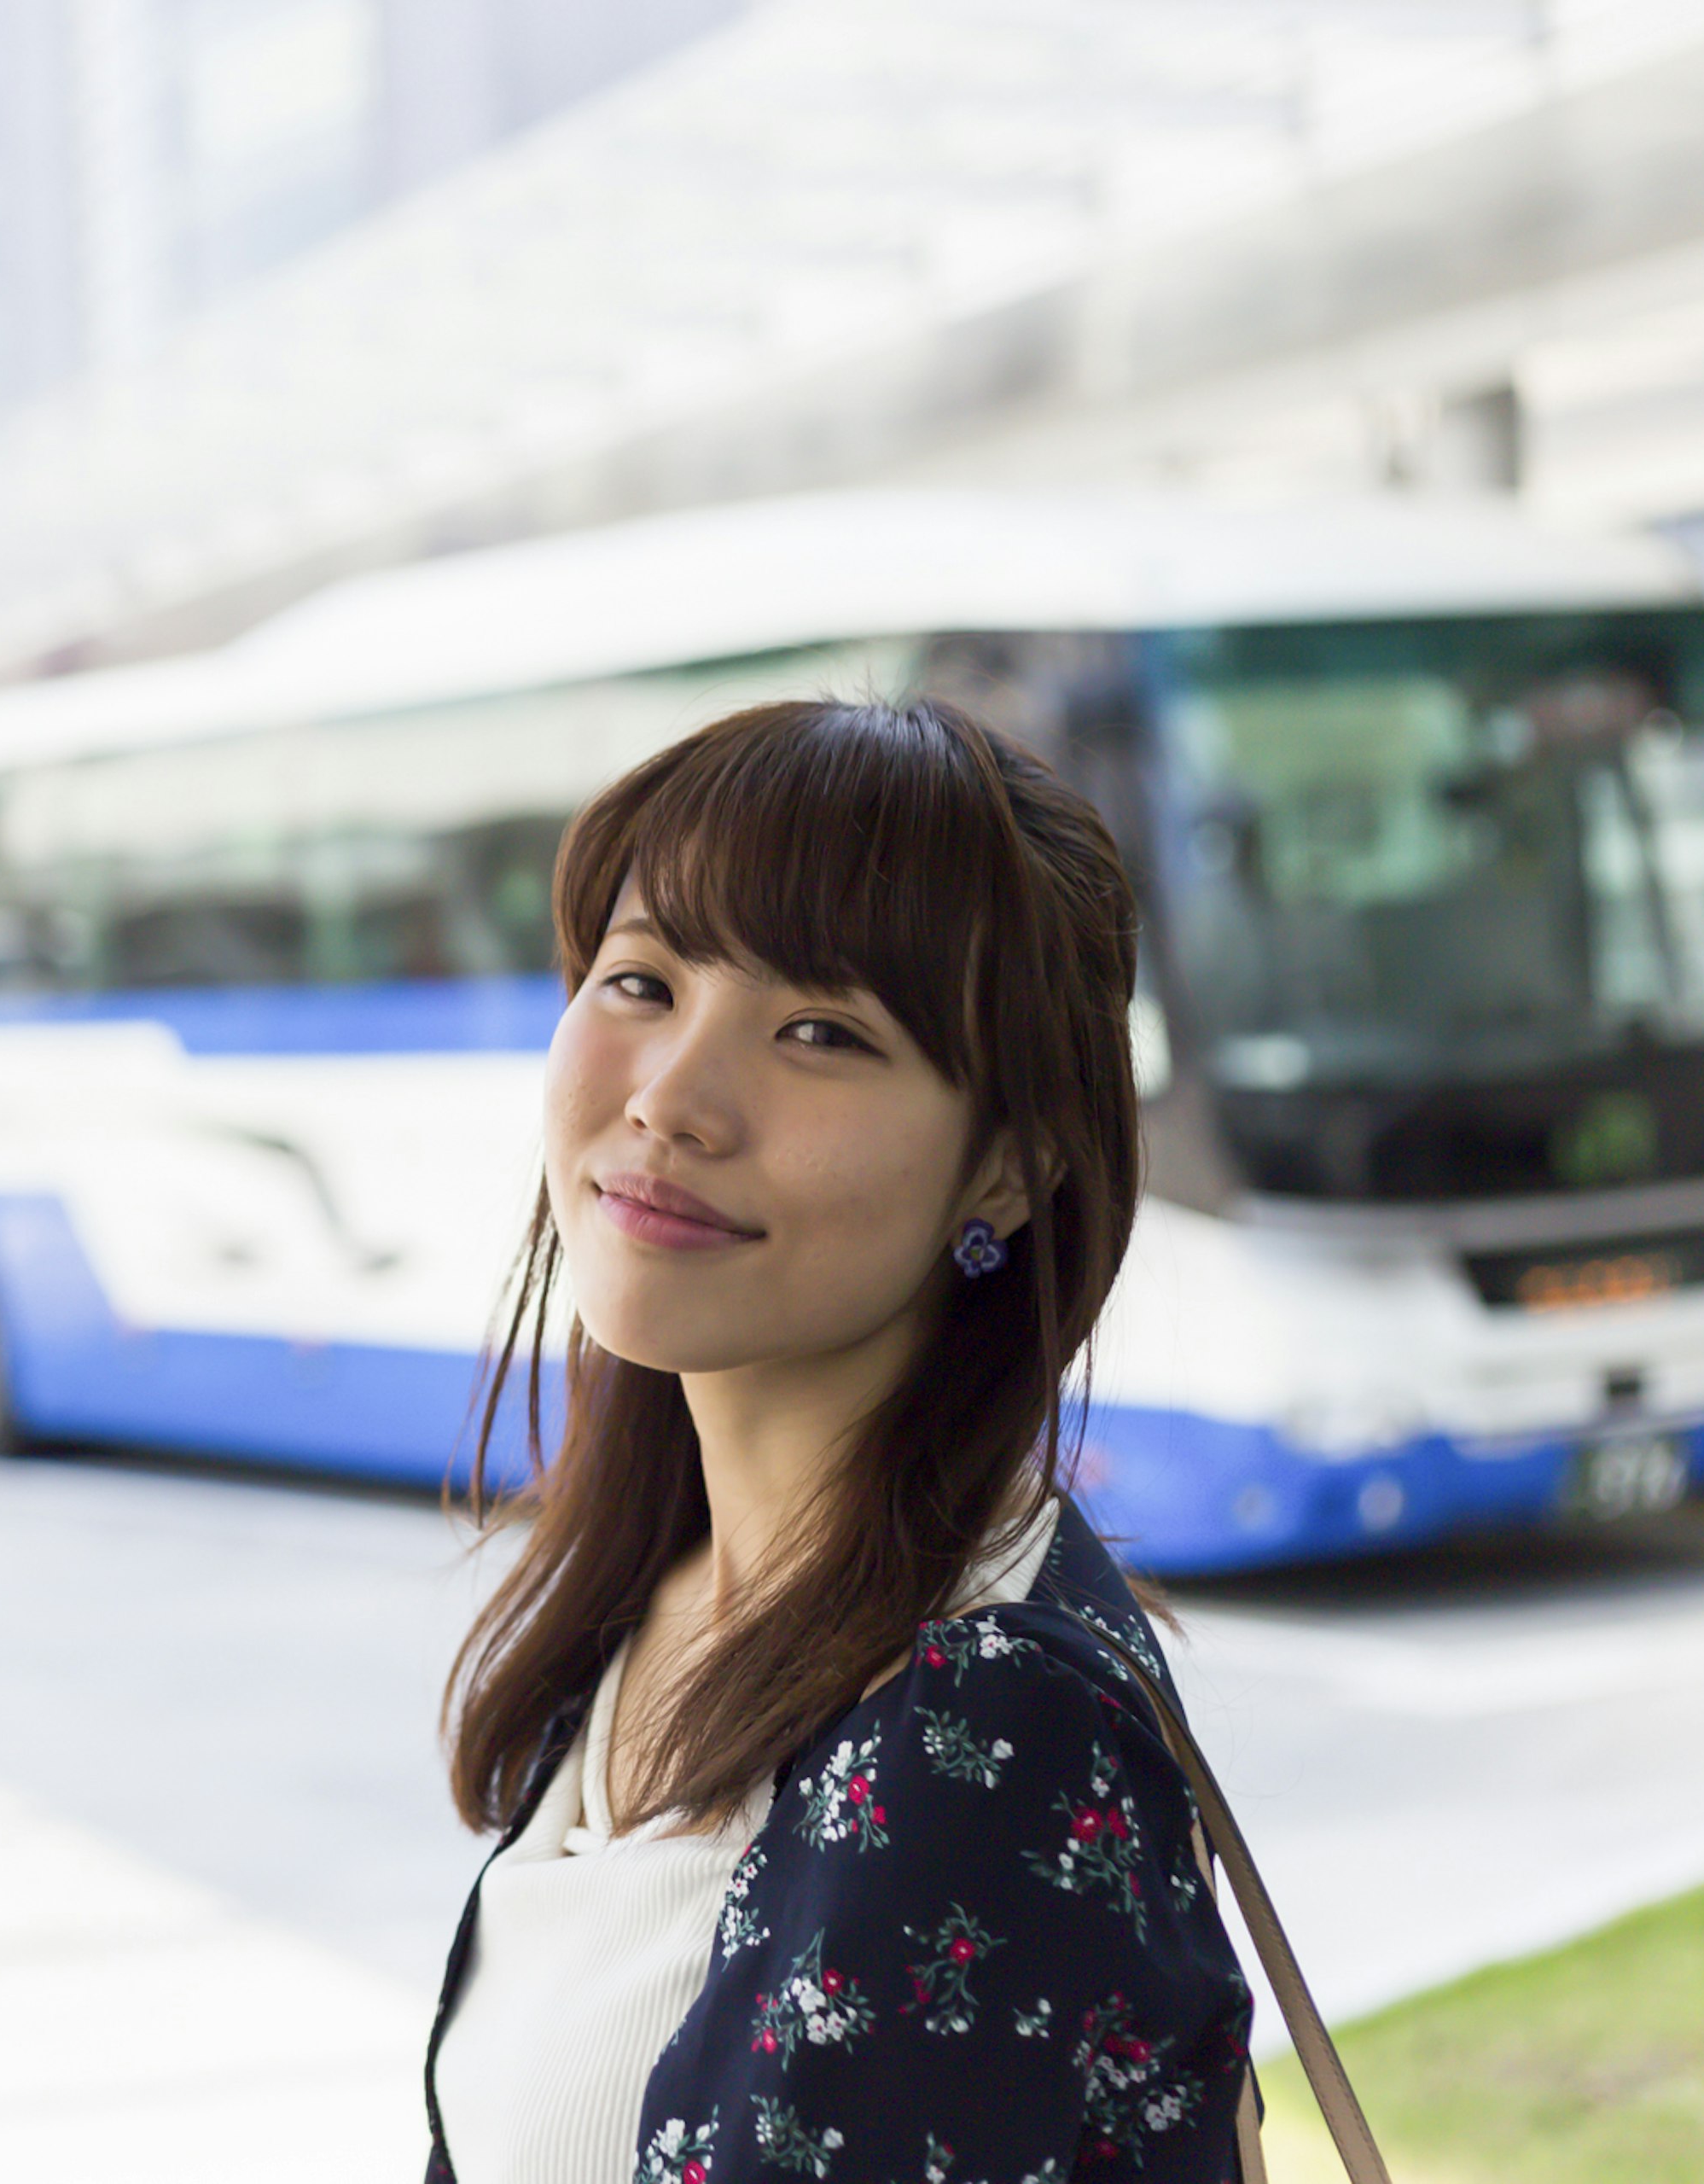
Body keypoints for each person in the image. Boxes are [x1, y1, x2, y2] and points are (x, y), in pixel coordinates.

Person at [424, 697, 1262, 2182]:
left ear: (1007, 1167)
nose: (673, 1098)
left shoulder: (985, 1725)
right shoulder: (659, 1593)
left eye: (821, 1031)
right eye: (640, 980)